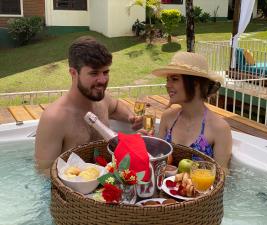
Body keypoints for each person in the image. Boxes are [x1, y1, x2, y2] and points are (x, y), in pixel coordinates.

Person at [35, 36, 142, 175]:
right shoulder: (54, 118)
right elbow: (44, 172)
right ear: (73, 73)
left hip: (106, 180)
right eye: (94, 73)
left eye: (106, 72)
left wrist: (130, 117)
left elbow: (115, 107)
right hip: (74, 190)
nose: (102, 80)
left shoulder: (102, 100)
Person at [152, 51, 232, 174]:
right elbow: (157, 161)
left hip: (200, 192)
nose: (167, 85)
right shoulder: (168, 118)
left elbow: (222, 177)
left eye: (174, 79)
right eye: (167, 79)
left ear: (195, 84)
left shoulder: (219, 128)